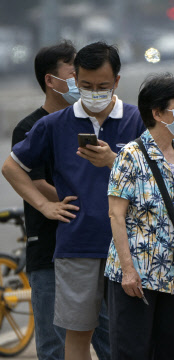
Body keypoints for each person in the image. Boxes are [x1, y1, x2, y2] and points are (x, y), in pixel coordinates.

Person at [2, 42, 146, 360]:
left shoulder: (136, 120)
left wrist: (113, 160)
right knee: (76, 336)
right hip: (76, 247)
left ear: (117, 82)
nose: (95, 93)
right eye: (86, 86)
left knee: (129, 338)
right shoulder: (53, 125)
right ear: (75, 80)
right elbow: (11, 167)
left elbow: (156, 179)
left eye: (103, 87)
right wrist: (44, 206)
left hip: (130, 250)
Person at [10, 41, 110, 360]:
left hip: (94, 244)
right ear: (52, 81)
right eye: (73, 73)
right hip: (50, 247)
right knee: (55, 342)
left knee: (111, 336)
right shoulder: (30, 127)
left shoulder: (88, 122)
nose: (80, 80)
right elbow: (32, 178)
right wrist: (69, 202)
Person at [106, 73, 174, 359]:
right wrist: (127, 270)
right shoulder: (131, 156)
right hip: (136, 277)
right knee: (132, 352)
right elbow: (116, 215)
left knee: (170, 352)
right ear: (158, 113)